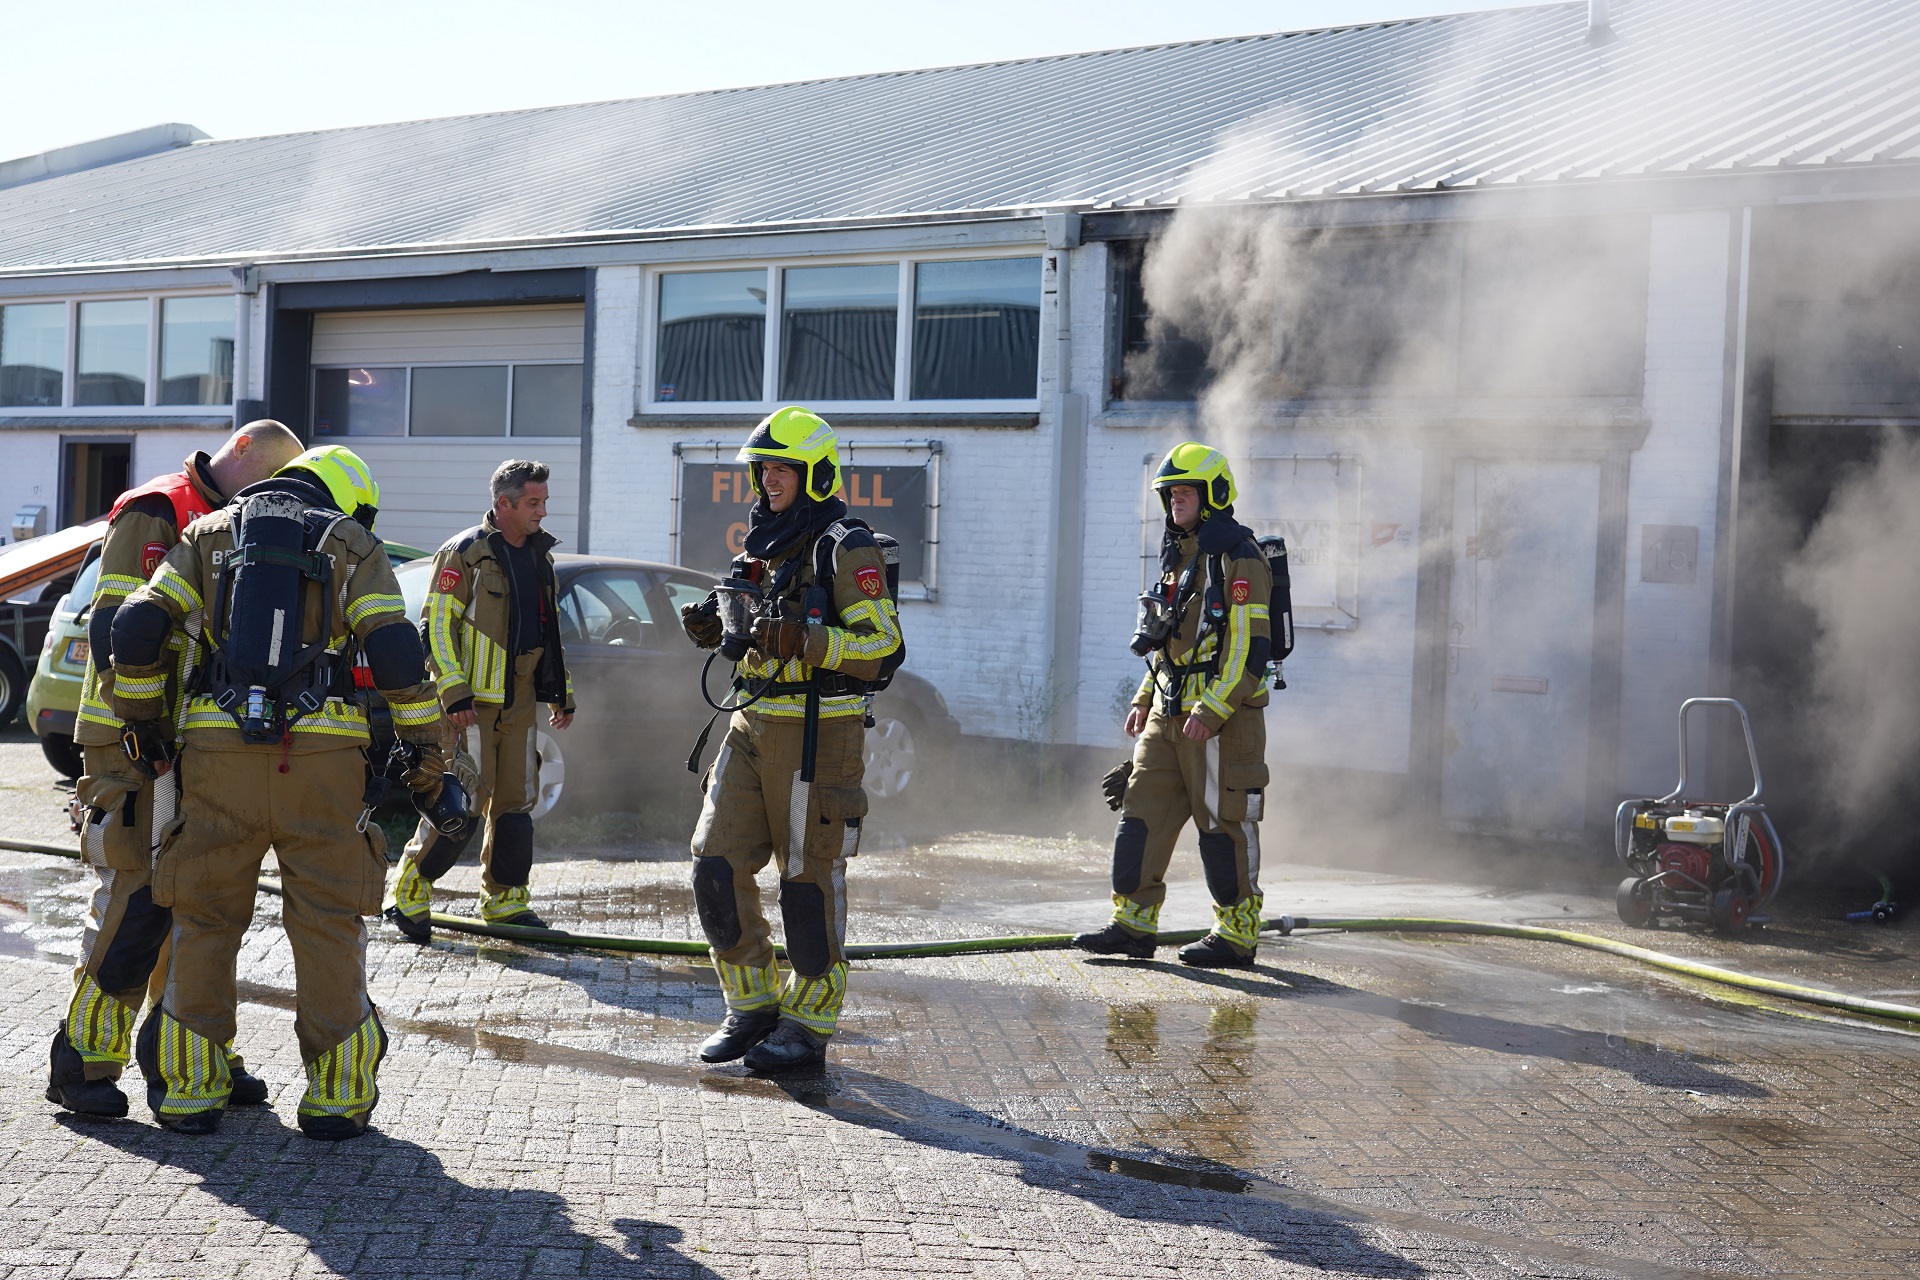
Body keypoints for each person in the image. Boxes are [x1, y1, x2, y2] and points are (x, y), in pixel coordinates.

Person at [110, 444, 449, 1138]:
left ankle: (191, 1091)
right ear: (346, 500)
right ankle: (336, 1099)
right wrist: (425, 751)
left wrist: (143, 723)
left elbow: (137, 625)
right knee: (327, 924)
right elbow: (394, 649)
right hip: (322, 768)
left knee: (205, 921)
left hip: (216, 759)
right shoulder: (351, 542)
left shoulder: (207, 535)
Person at [46, 420, 304, 1119]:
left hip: (188, 741)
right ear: (241, 451)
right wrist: (143, 729)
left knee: (195, 897)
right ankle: (83, 1059)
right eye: (267, 480)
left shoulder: (232, 520)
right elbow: (116, 628)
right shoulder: (157, 509)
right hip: (132, 739)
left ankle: (192, 1052)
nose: (269, 499)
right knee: (134, 896)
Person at [678, 407, 902, 1071]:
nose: (769, 480)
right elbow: (751, 628)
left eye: (782, 469)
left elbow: (884, 647)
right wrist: (716, 629)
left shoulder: (845, 545)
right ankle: (751, 1006)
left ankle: (807, 1023)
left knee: (806, 885)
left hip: (818, 736)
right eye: (763, 469)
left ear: (815, 474)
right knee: (714, 866)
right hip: (750, 725)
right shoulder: (762, 545)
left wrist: (806, 640)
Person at [1074, 442, 1275, 968]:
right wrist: (1145, 698)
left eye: (1186, 491)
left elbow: (1247, 648)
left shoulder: (1240, 557)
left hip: (1220, 724)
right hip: (1167, 715)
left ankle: (1236, 935)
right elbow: (1169, 642)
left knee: (1223, 827)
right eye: (1170, 493)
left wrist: (1211, 711)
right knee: (1140, 816)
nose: (1175, 500)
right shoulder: (1177, 556)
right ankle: (1133, 926)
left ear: (1214, 495)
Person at [384, 460, 574, 942]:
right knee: (462, 804)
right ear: (503, 503)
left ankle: (506, 901)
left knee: (516, 806)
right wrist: (454, 692)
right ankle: (408, 892)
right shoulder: (464, 553)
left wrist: (562, 693)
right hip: (470, 708)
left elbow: (549, 633)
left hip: (521, 704)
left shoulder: (541, 556)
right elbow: (436, 627)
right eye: (533, 503)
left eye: (544, 502)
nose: (542, 512)